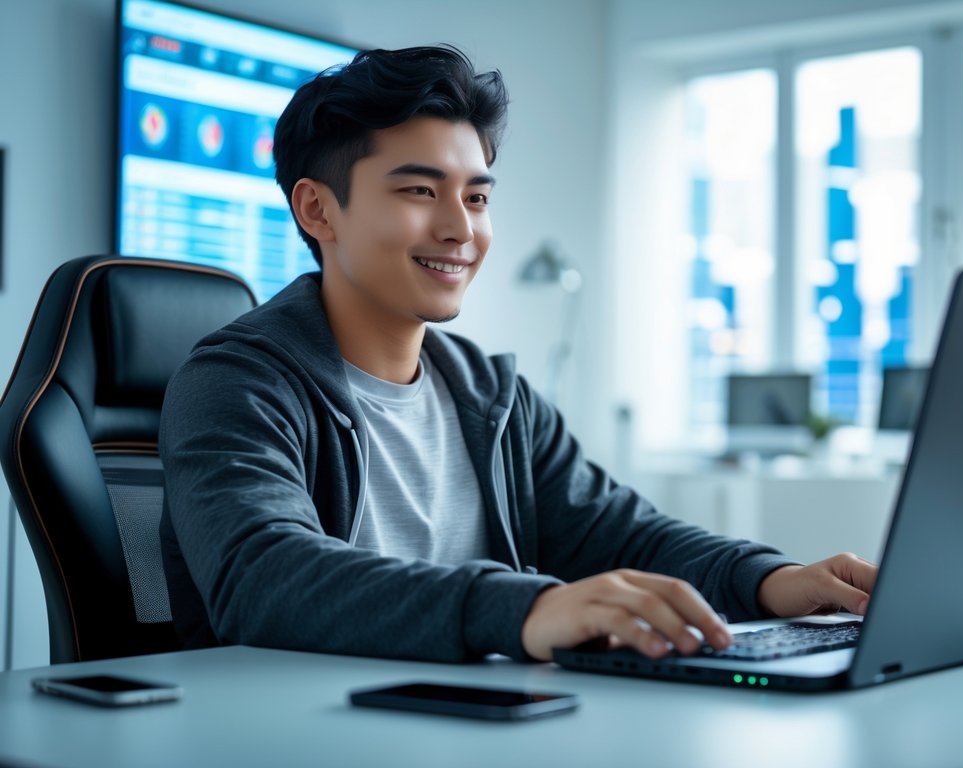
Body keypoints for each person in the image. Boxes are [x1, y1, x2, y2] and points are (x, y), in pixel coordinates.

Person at [159, 44, 878, 664]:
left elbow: (622, 535)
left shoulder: (489, 397)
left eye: (475, 198)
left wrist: (770, 579)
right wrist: (527, 609)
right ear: (317, 210)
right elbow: (265, 579)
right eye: (418, 190)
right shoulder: (236, 381)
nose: (457, 229)